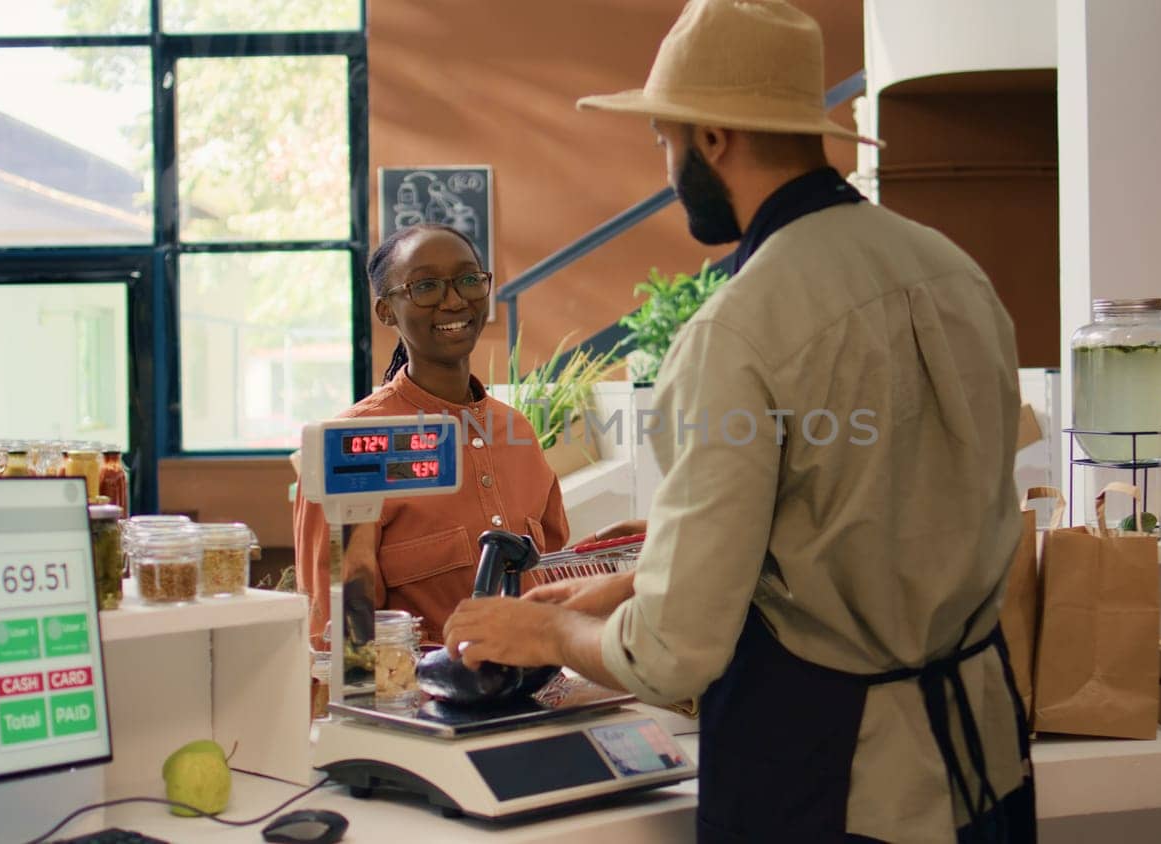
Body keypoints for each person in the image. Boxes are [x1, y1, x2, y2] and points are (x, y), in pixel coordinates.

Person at [442, 2, 1033, 842]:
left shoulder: (740, 329)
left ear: (712, 138)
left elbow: (674, 652)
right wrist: (631, 582)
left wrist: (544, 629)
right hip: (983, 763)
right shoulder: (954, 273)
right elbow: (865, 515)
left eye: (666, 141)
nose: (668, 166)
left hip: (834, 786)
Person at [292, 224, 570, 647]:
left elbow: (553, 573)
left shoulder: (517, 432)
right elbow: (336, 634)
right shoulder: (352, 444)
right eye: (426, 286)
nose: (455, 300)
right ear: (386, 311)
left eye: (468, 280)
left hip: (528, 694)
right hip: (417, 704)